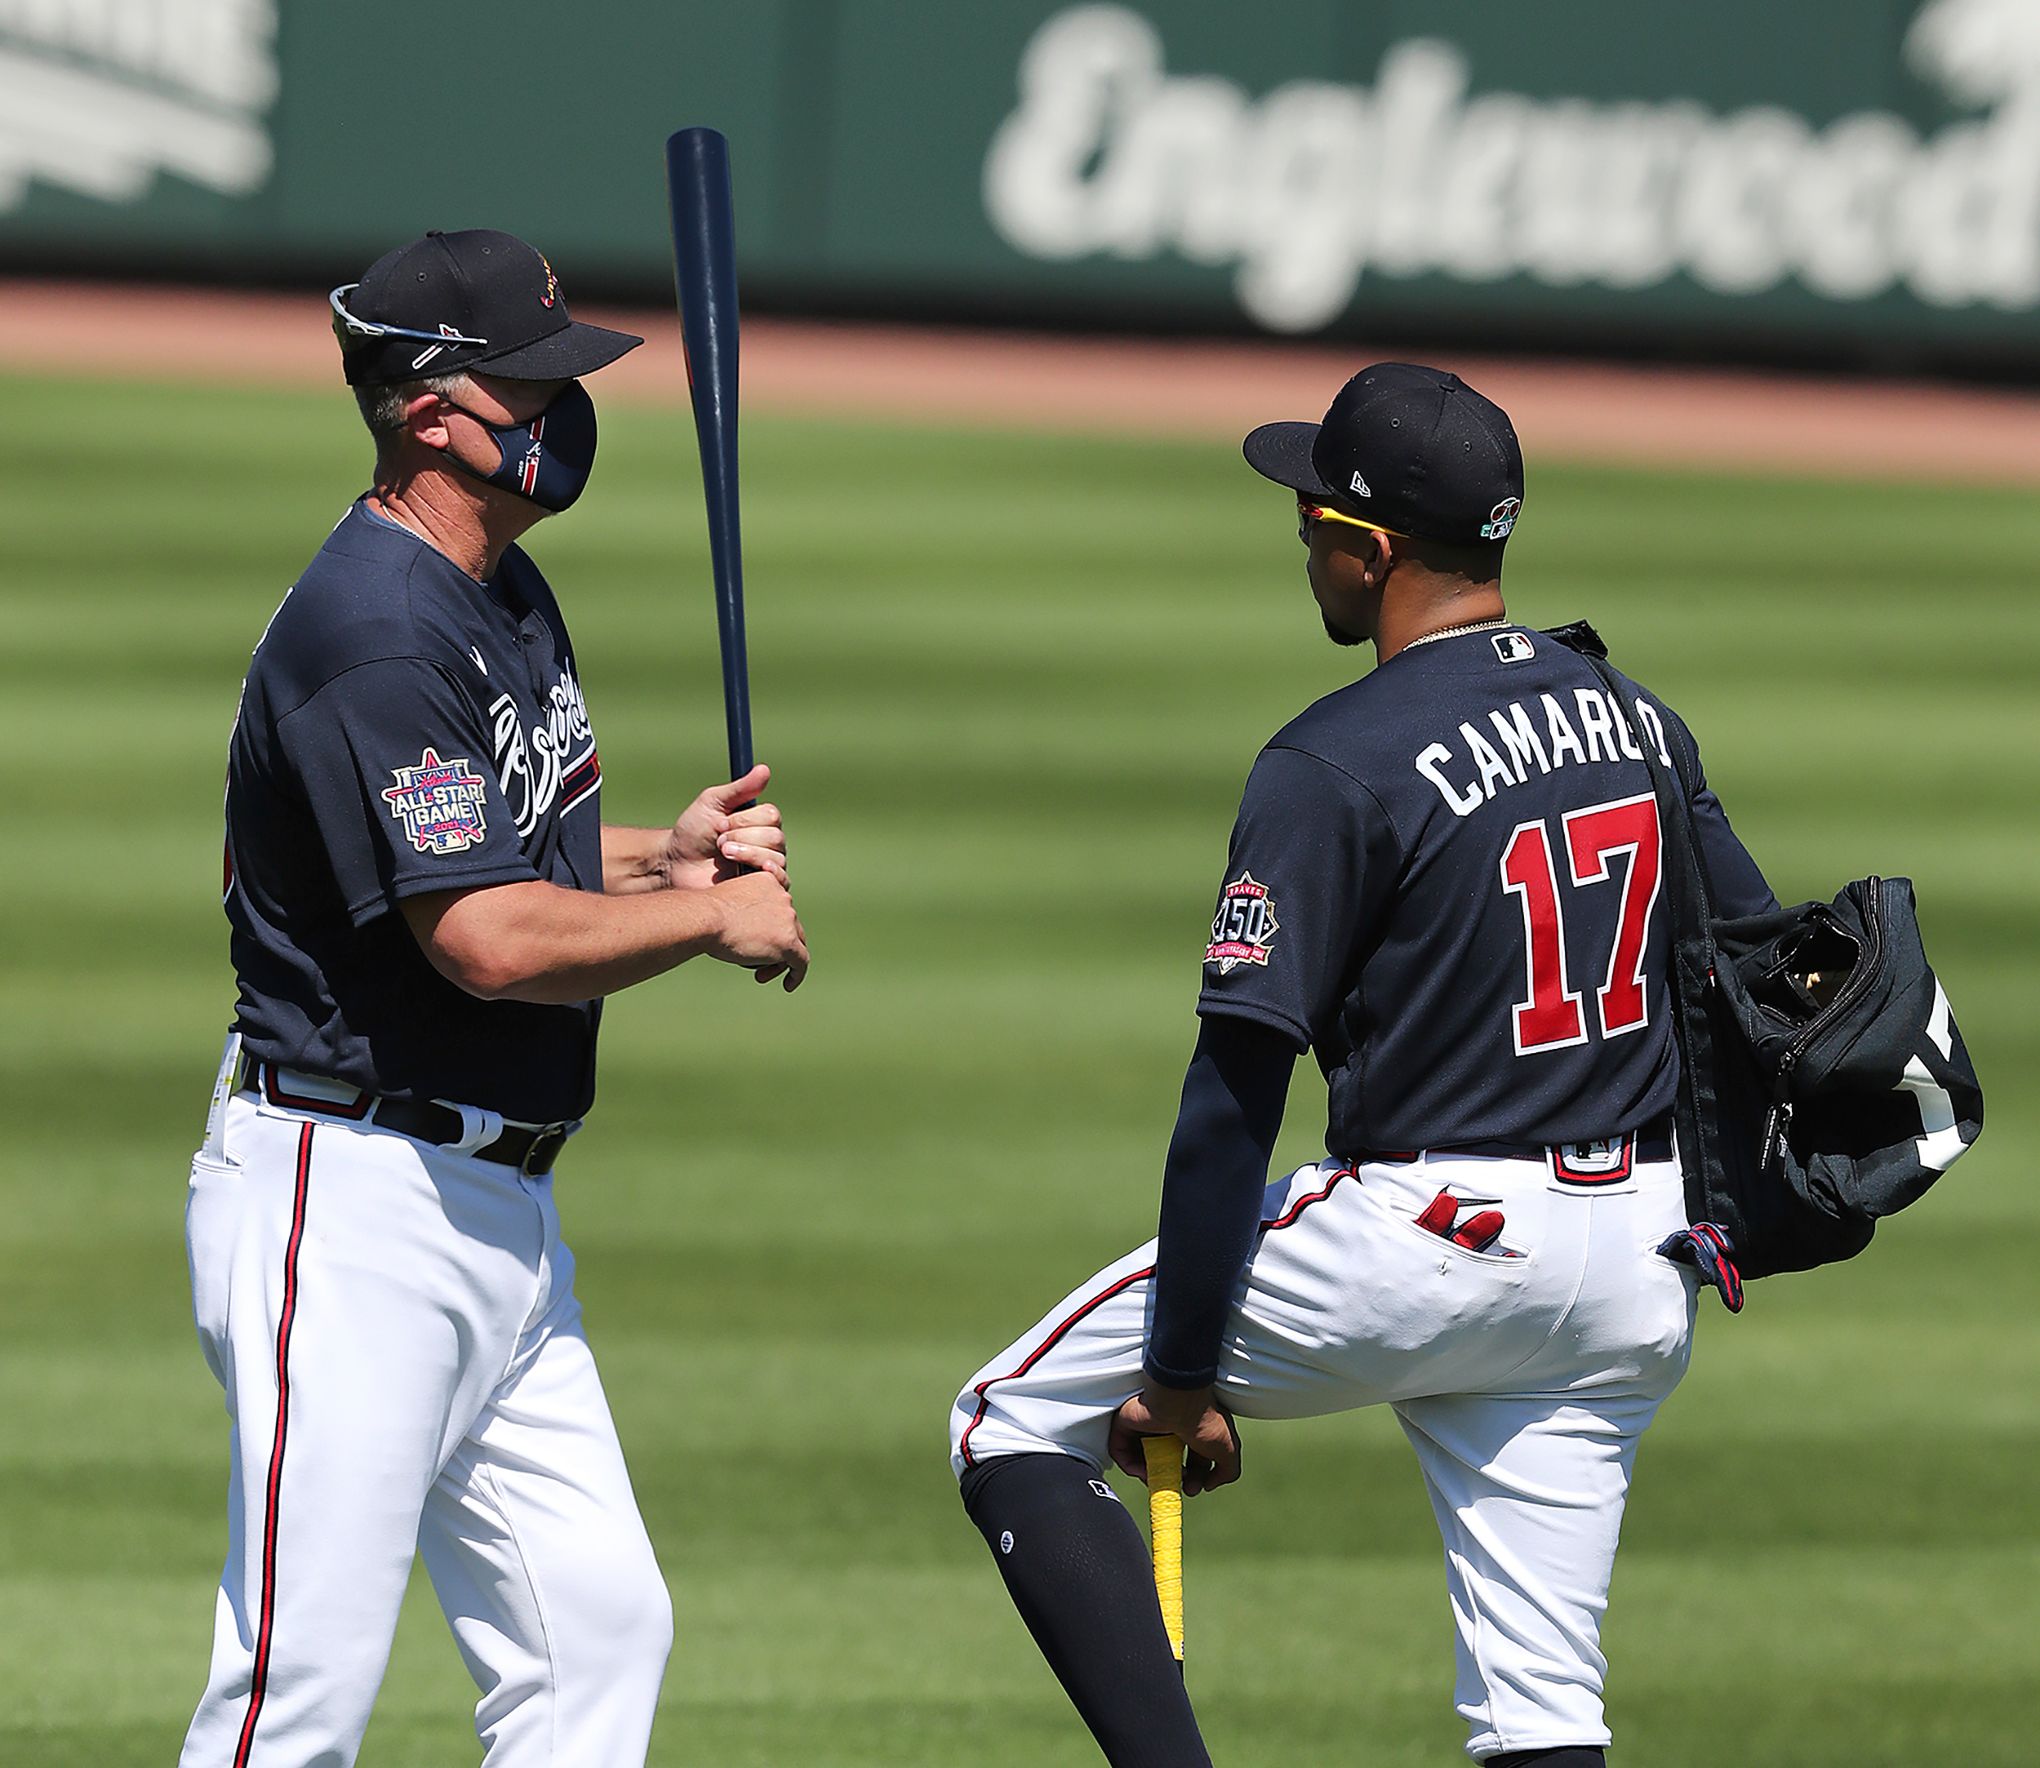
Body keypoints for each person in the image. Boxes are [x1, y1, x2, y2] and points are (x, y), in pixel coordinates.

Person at [947, 363, 1776, 1767]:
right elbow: (1754, 954)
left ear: (1372, 550)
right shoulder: (1637, 718)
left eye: (1312, 517)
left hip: (1426, 1242)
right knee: (1543, 1711)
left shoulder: (1334, 759)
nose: (1302, 543)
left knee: (1009, 1414)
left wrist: (1186, 1368)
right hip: (1637, 1264)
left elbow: (1232, 1100)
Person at [182, 228, 808, 1767]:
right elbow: (484, 938)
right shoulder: (375, 633)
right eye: (527, 384)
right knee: (298, 1689)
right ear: (426, 413)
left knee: (594, 1631)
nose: (564, 410)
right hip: (353, 1204)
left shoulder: (498, 592)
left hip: (494, 1216)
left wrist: (668, 858)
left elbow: (522, 848)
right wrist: (713, 920)